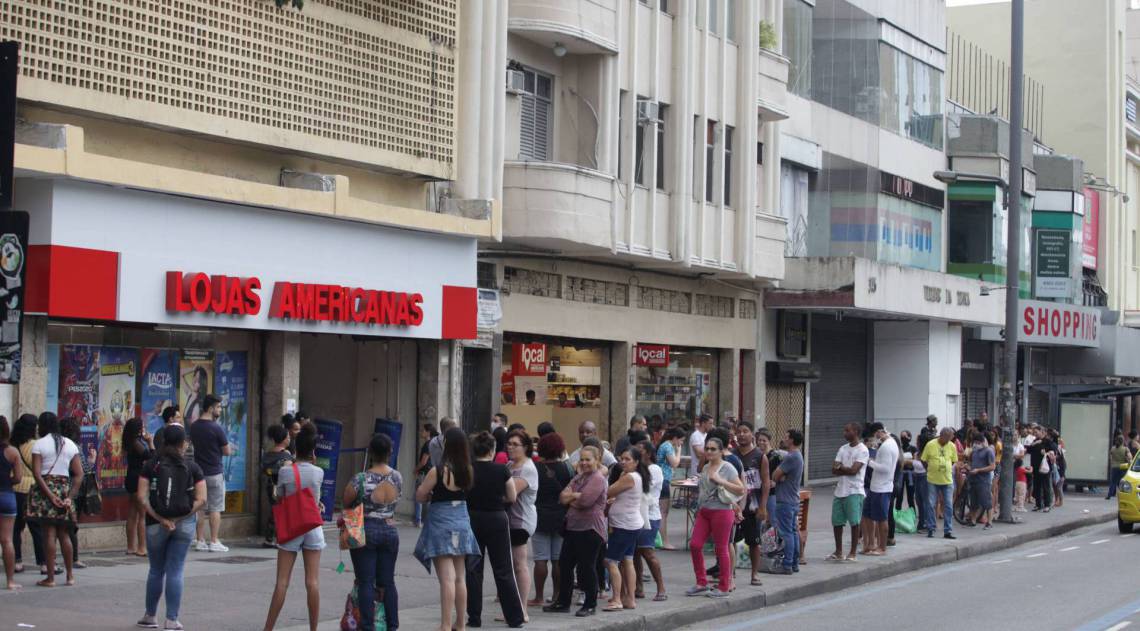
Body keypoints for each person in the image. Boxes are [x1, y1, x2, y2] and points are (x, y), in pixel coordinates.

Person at [135, 424, 207, 630]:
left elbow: (141, 497)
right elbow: (201, 500)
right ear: (183, 443)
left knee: (156, 570)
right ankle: (172, 619)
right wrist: (178, 518)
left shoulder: (150, 465)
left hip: (155, 524)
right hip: (183, 524)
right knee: (176, 570)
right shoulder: (193, 467)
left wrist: (160, 517)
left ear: (163, 440)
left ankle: (150, 616)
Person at [414, 427, 480, 631]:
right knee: (460, 576)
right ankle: (460, 624)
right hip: (461, 521)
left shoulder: (438, 470)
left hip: (441, 522)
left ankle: (444, 625)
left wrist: (432, 496)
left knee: (446, 578)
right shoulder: (467, 469)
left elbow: (420, 495)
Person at [263, 423, 324, 631]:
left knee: (282, 582)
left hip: (291, 527)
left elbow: (279, 497)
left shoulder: (286, 472)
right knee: (312, 582)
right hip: (312, 526)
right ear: (313, 451)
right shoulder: (319, 472)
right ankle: (313, 628)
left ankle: (268, 628)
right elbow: (315, 499)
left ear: (296, 450)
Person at [344, 433, 403, 631]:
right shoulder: (397, 477)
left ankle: (368, 626)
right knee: (388, 581)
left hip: (366, 531)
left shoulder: (360, 479)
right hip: (390, 530)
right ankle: (392, 626)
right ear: (390, 453)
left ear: (370, 452)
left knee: (366, 582)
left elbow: (347, 500)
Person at [465, 431, 523, 629]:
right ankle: (514, 617)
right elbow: (512, 497)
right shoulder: (502, 470)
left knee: (473, 568)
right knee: (503, 569)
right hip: (497, 518)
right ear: (492, 449)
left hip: (472, 518)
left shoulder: (468, 469)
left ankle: (474, 617)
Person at [544, 445, 607, 618]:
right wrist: (575, 496)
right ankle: (563, 602)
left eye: (588, 459)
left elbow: (585, 501)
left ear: (597, 460)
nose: (585, 463)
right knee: (565, 565)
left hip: (591, 529)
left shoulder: (598, 479)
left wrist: (573, 497)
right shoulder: (579, 478)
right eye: (582, 459)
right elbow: (562, 497)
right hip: (573, 528)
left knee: (586, 568)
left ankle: (590, 604)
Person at [27, 412, 82, 587]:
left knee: (48, 534)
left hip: (45, 490)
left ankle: (50, 578)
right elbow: (79, 475)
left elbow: (37, 473)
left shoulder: (39, 444)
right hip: (65, 488)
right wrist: (69, 498)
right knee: (64, 534)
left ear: (42, 426)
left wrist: (50, 496)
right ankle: (70, 576)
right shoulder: (70, 444)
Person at [683, 436, 743, 597]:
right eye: (707, 448)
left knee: (721, 548)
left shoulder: (728, 468)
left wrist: (721, 480)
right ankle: (701, 582)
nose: (708, 451)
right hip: (704, 511)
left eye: (713, 449)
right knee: (695, 545)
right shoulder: (705, 467)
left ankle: (724, 586)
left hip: (722, 511)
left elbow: (741, 489)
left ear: (721, 451)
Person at [531, 432, 573, 607]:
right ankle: (557, 594)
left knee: (540, 559)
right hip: (561, 516)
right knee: (557, 559)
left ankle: (539, 596)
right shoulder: (566, 468)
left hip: (540, 516)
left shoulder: (535, 468)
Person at [604, 446, 647, 611]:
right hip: (630, 523)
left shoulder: (630, 477)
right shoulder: (632, 476)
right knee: (627, 560)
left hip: (624, 525)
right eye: (621, 458)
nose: (623, 461)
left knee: (610, 561)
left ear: (636, 462)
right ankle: (629, 598)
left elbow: (608, 491)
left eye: (627, 459)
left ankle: (616, 599)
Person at [189, 394, 231, 552]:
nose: (220, 410)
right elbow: (226, 451)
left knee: (200, 507)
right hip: (214, 472)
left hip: (199, 473)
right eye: (218, 407)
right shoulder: (216, 428)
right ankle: (214, 540)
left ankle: (200, 540)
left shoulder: (194, 426)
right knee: (215, 508)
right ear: (211, 408)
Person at [504, 429, 538, 621]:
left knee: (519, 564)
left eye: (515, 444)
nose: (510, 447)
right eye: (509, 443)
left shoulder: (527, 468)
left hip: (520, 520)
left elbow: (510, 494)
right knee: (510, 565)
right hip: (509, 519)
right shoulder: (510, 465)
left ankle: (522, 609)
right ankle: (513, 606)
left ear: (525, 447)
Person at [733, 422, 769, 584]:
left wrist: (763, 506)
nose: (741, 434)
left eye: (745, 431)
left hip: (752, 507)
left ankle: (755, 574)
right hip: (733, 506)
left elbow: (766, 482)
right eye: (739, 431)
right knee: (730, 541)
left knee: (754, 541)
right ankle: (729, 572)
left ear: (751, 435)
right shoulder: (731, 455)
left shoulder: (760, 457)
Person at [829, 422, 868, 562]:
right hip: (840, 489)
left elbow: (854, 471)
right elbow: (834, 469)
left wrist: (842, 468)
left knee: (854, 522)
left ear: (856, 432)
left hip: (854, 490)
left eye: (847, 430)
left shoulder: (863, 450)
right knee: (837, 522)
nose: (844, 433)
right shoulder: (843, 448)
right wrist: (845, 468)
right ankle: (838, 551)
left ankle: (852, 552)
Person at [11, 414, 44, 576]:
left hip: (15, 490)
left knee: (16, 529)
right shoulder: (35, 445)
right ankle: (43, 563)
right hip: (32, 490)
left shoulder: (12, 444)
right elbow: (40, 469)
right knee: (36, 528)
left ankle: (17, 562)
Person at [633, 439, 666, 600]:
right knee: (634, 554)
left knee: (647, 552)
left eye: (640, 449)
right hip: (634, 515)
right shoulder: (637, 469)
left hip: (649, 516)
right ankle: (638, 587)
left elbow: (643, 489)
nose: (638, 451)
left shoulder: (654, 469)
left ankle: (661, 588)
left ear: (648, 452)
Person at [770, 429, 804, 575]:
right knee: (793, 532)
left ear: (791, 440)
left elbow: (775, 475)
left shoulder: (791, 457)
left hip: (785, 500)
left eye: (786, 436)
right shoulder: (797, 456)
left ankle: (788, 564)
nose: (784, 439)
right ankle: (794, 562)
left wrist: (778, 475)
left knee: (786, 533)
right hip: (792, 499)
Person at [864, 423, 897, 556]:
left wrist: (869, 462)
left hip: (882, 487)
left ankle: (882, 547)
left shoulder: (887, 447)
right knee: (867, 514)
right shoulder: (888, 443)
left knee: (882, 518)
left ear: (879, 432)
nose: (874, 439)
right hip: (875, 486)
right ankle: (871, 544)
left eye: (874, 435)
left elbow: (886, 468)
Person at [260, 425, 294, 548]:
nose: (289, 439)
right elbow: (289, 472)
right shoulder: (286, 455)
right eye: (288, 436)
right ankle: (280, 538)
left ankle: (269, 538)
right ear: (284, 439)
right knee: (282, 512)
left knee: (274, 511)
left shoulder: (267, 455)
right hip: (282, 487)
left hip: (270, 486)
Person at [124, 417, 155, 557]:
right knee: (142, 514)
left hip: (131, 477)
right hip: (138, 479)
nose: (144, 429)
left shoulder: (129, 441)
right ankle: (142, 547)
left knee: (132, 513)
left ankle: (131, 546)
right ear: (138, 429)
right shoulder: (136, 442)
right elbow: (150, 457)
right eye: (142, 427)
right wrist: (150, 442)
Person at [921, 427, 958, 539]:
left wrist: (947, 468)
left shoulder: (952, 446)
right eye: (947, 437)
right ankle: (931, 528)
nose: (948, 440)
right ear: (941, 435)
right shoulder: (930, 444)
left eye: (950, 438)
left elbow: (953, 460)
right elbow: (923, 460)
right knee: (931, 504)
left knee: (948, 505)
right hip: (932, 479)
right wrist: (930, 469)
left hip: (947, 480)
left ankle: (948, 530)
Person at [0, 416, 24, 590]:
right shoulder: (13, 452)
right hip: (7, 496)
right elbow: (18, 477)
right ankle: (10, 581)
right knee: (7, 540)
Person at [656, 427, 684, 550]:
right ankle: (664, 541)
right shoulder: (668, 446)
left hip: (663, 480)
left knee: (661, 511)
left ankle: (660, 540)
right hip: (663, 480)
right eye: (681, 440)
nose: (681, 443)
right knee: (663, 512)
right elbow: (674, 463)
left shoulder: (665, 445)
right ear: (675, 438)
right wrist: (678, 451)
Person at [965, 431, 995, 530]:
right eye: (974, 442)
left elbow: (992, 466)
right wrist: (968, 467)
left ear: (982, 442)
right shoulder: (974, 452)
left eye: (977, 442)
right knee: (973, 502)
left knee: (986, 502)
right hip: (973, 480)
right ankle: (973, 520)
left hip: (983, 481)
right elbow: (971, 463)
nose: (975, 444)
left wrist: (979, 470)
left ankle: (989, 522)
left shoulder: (988, 451)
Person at [1027, 427, 1056, 512]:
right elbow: (1029, 450)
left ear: (1042, 432)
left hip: (1045, 467)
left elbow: (1053, 451)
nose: (1035, 434)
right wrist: (1034, 444)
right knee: (1037, 485)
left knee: (1046, 486)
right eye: (1034, 432)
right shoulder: (1035, 441)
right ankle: (1038, 504)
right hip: (1036, 467)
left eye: (1036, 432)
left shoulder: (1047, 442)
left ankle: (1047, 505)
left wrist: (1046, 452)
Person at [415, 423, 438, 528]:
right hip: (430, 471)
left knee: (419, 496)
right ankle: (425, 520)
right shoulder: (433, 443)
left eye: (423, 430)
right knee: (428, 496)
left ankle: (419, 520)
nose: (421, 432)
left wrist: (416, 469)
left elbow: (423, 461)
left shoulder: (427, 444)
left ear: (428, 432)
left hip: (424, 473)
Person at [1108, 434, 1132, 499]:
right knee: (1122, 482)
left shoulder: (1113, 448)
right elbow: (1130, 457)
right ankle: (1124, 495)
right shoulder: (1125, 449)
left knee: (1113, 482)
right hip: (1122, 467)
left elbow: (1110, 458)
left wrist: (1112, 463)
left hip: (1114, 467)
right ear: (1123, 441)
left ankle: (1109, 495)